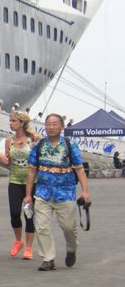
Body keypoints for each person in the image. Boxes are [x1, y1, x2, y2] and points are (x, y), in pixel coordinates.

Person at [24, 113, 91, 271]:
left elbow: (80, 170)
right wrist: (28, 195)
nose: (51, 127)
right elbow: (32, 171)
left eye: (55, 124)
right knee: (41, 227)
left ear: (61, 127)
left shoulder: (70, 145)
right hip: (43, 193)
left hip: (65, 193)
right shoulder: (39, 146)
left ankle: (71, 248)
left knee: (68, 227)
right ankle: (48, 259)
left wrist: (85, 192)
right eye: (48, 124)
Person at [0, 111, 40, 260]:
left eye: (13, 121)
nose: (11, 123)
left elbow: (39, 158)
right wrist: (3, 159)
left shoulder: (33, 138)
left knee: (29, 213)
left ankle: (29, 247)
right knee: (14, 212)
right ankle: (18, 241)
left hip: (31, 181)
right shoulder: (8, 140)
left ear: (22, 123)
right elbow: (8, 162)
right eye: (10, 121)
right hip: (15, 179)